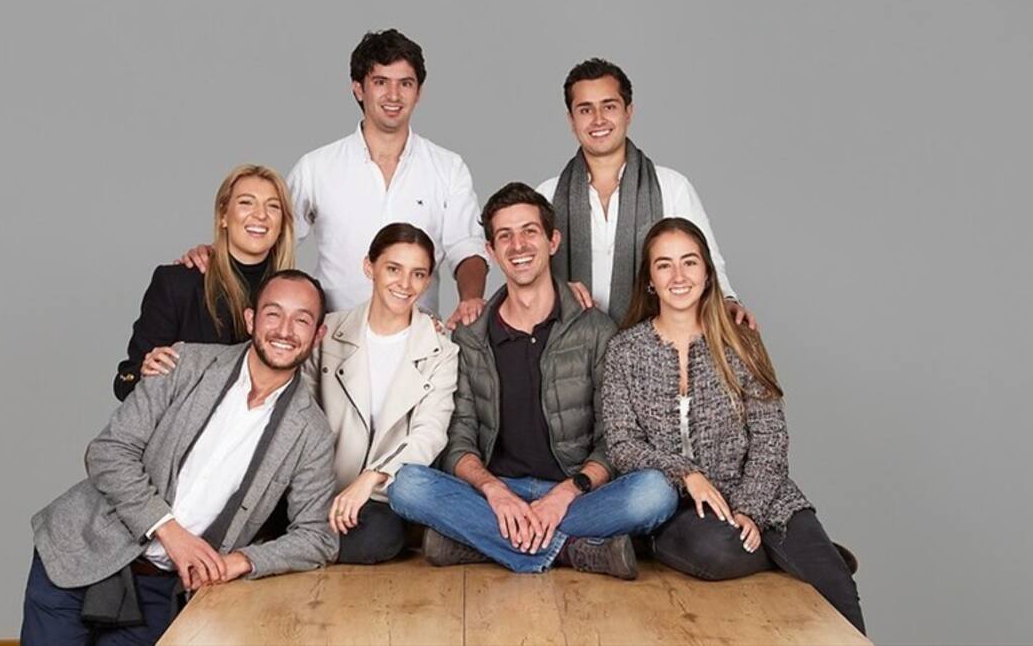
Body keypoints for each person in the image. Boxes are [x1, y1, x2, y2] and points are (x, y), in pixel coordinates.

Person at [23, 270, 338, 644]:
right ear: (251, 319)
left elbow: (317, 536)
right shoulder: (183, 362)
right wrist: (168, 530)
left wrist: (242, 561)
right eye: (273, 313)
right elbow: (108, 451)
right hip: (82, 550)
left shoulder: (312, 431)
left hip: (164, 590)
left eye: (301, 320)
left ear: (318, 334)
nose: (284, 330)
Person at [388, 183, 677, 580]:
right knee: (407, 485)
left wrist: (564, 494)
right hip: (496, 491)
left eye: (529, 231)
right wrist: (495, 492)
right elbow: (460, 439)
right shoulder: (471, 336)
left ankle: (478, 540)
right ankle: (570, 549)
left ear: (552, 241)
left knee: (656, 492)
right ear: (491, 251)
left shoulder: (595, 329)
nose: (518, 245)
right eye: (505, 236)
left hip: (574, 491)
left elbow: (613, 439)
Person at [602, 217, 864, 633]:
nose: (678, 276)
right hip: (681, 506)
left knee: (837, 585)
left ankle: (810, 555)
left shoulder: (740, 343)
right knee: (717, 551)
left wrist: (749, 510)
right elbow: (622, 443)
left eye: (689, 262)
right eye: (664, 265)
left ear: (707, 273)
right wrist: (685, 474)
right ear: (650, 280)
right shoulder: (625, 351)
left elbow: (770, 437)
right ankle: (785, 557)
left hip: (763, 494)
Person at [181, 29, 488, 329]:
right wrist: (217, 254)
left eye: (405, 83)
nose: (394, 95)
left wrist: (470, 299)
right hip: (332, 340)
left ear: (419, 92)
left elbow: (467, 248)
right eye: (380, 82)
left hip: (417, 338)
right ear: (358, 89)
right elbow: (271, 233)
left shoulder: (448, 168)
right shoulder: (317, 167)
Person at [536, 58, 755, 328]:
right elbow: (530, 277)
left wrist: (729, 299)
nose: (598, 119)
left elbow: (706, 259)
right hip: (570, 345)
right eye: (585, 110)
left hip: (653, 344)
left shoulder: (671, 187)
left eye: (609, 106)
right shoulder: (546, 196)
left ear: (628, 112)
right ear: (571, 120)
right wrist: (556, 290)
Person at [313, 223, 459, 564]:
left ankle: (299, 543)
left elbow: (430, 433)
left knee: (378, 540)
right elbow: (302, 412)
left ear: (427, 281)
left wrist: (372, 477)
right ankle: (300, 538)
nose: (405, 284)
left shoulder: (441, 350)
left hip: (380, 495)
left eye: (418, 274)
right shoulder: (328, 332)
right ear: (370, 267)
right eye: (394, 269)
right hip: (319, 485)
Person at [115, 164, 296, 400]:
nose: (260, 215)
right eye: (246, 202)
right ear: (223, 215)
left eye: (273, 206)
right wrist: (146, 370)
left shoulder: (299, 299)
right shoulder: (177, 284)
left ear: (282, 223)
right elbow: (124, 383)